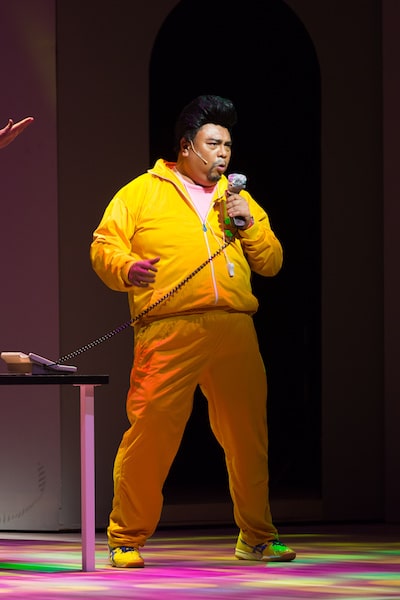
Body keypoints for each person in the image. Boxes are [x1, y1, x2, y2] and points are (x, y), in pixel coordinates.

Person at [90, 94, 296, 568]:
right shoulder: (141, 193)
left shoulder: (237, 200)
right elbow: (103, 246)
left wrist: (248, 225)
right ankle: (125, 538)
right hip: (169, 329)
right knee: (151, 434)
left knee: (248, 438)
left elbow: (271, 262)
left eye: (228, 145)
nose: (223, 154)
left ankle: (257, 537)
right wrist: (127, 268)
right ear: (186, 147)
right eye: (213, 144)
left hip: (234, 327)